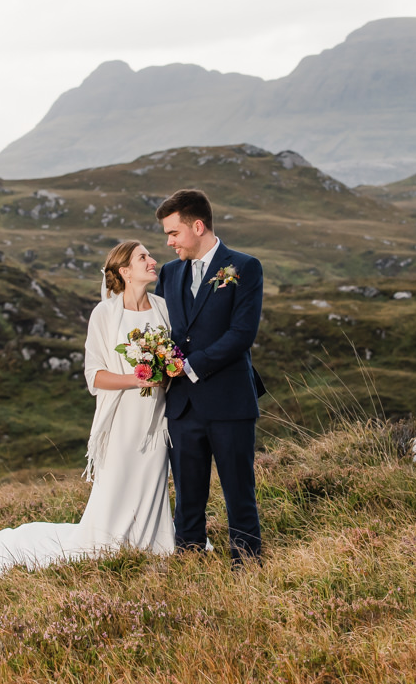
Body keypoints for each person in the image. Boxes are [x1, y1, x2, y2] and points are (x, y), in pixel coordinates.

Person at [0, 241, 175, 577]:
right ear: (125, 271)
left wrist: (169, 370)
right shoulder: (105, 314)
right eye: (144, 257)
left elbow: (175, 357)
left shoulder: (162, 308)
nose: (153, 260)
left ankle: (153, 542)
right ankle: (108, 546)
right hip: (121, 420)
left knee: (153, 480)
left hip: (157, 416)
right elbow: (94, 375)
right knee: (117, 489)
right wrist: (135, 379)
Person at [154, 189, 266, 565]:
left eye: (173, 233)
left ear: (197, 226)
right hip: (182, 405)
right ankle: (189, 558)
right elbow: (163, 330)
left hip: (229, 399)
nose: (169, 243)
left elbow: (241, 334)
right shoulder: (169, 274)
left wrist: (191, 365)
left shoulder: (244, 267)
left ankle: (247, 561)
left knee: (238, 488)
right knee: (187, 491)